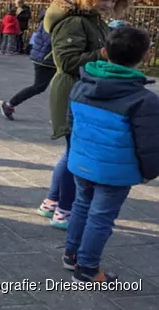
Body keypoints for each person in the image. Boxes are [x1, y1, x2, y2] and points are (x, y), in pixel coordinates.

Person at [62, 26, 159, 283]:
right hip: (115, 171)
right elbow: (150, 144)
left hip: (81, 162)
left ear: (104, 52)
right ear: (147, 55)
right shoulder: (144, 100)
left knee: (81, 206)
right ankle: (88, 269)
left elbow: (71, 123)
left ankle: (71, 255)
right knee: (101, 217)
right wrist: (150, 172)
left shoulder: (82, 85)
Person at [38, 0, 132, 230]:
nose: (108, 5)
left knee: (71, 153)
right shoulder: (74, 22)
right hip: (72, 92)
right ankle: (65, 211)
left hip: (81, 91)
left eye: (113, 1)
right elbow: (67, 62)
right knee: (77, 156)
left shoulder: (91, 19)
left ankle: (52, 202)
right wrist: (105, 52)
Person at [0, 10, 56, 119]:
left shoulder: (52, 19)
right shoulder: (51, 20)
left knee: (57, 87)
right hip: (46, 59)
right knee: (39, 86)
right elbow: (51, 40)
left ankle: (62, 117)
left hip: (48, 58)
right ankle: (9, 104)